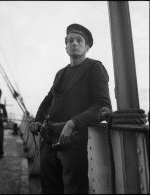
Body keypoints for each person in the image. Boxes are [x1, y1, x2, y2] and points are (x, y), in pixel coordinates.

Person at [30, 24, 112, 194]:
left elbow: (102, 105)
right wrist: (37, 120)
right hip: (49, 139)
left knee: (74, 189)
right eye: (70, 40)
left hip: (74, 143)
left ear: (87, 46)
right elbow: (48, 100)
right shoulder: (60, 73)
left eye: (79, 40)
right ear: (66, 46)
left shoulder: (95, 67)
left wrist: (74, 122)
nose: (74, 43)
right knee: (49, 189)